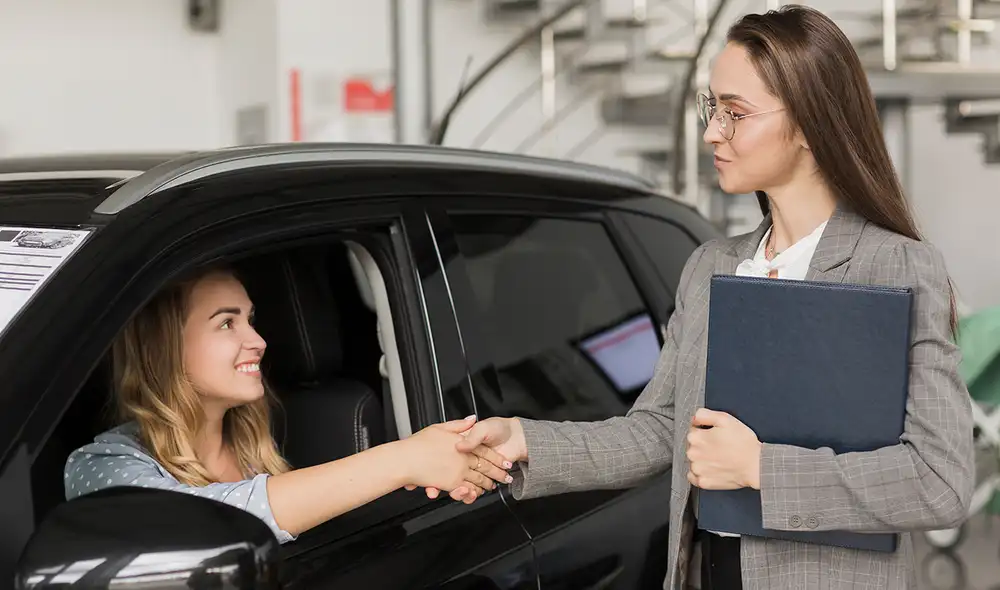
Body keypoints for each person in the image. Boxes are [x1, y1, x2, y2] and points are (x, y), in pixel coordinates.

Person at [424, 5, 976, 589]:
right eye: (712, 108)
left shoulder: (896, 267)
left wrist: (761, 467)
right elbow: (660, 429)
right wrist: (522, 440)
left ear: (810, 125)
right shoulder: (710, 266)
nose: (713, 132)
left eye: (736, 113)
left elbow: (939, 480)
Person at [64, 264, 512, 543]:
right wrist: (404, 459)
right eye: (226, 324)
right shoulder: (101, 465)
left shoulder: (256, 442)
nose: (258, 341)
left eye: (250, 319)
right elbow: (198, 527)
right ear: (164, 348)